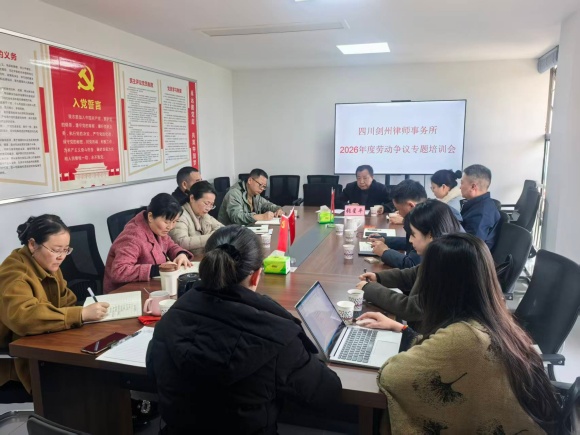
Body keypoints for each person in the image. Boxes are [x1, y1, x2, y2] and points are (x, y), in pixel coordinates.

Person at [147, 225, 341, 434]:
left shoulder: (169, 320)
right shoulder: (277, 335)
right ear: (256, 276)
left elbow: (153, 374)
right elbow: (327, 393)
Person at [357, 234, 559, 434]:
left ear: (440, 284)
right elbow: (447, 353)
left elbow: (392, 377)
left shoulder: (464, 337)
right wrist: (401, 329)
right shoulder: (494, 319)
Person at [0, 215, 109, 394]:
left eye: (66, 250)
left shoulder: (47, 264)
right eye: (56, 250)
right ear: (32, 244)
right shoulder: (14, 274)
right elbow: (24, 318)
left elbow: (67, 300)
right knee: (92, 379)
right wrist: (80, 314)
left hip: (46, 343)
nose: (62, 257)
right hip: (21, 360)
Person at [357, 200, 462, 328]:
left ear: (430, 235)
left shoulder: (449, 263)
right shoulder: (441, 254)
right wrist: (379, 277)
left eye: (413, 235)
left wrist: (368, 289)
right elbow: (415, 273)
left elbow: (412, 309)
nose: (410, 240)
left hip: (431, 335)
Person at [104, 193, 193, 293]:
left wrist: (180, 254)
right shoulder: (133, 236)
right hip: (125, 292)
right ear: (150, 216)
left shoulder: (157, 228)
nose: (171, 227)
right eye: (167, 222)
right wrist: (156, 270)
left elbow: (170, 245)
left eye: (174, 221)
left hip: (147, 286)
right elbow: (119, 271)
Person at [369, 179, 427, 269]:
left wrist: (385, 252)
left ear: (411, 206)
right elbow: (409, 243)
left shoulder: (426, 223)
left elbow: (412, 265)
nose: (398, 213)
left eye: (399, 209)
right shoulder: (424, 214)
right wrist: (385, 240)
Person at [169, 181, 223, 254]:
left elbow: (222, 229)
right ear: (192, 198)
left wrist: (216, 234)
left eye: (211, 205)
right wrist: (212, 237)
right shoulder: (180, 215)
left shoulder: (203, 214)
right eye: (206, 203)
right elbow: (181, 242)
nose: (208, 208)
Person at [218, 168, 283, 225]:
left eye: (264, 186)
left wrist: (278, 209)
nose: (262, 189)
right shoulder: (234, 193)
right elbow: (237, 217)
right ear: (250, 180)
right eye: (260, 185)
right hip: (229, 232)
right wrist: (261, 217)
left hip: (246, 230)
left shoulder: (255, 194)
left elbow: (267, 204)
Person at [460, 164, 501, 250]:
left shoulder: (480, 214)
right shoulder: (482, 204)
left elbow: (471, 248)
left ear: (473, 187)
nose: (460, 187)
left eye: (462, 183)